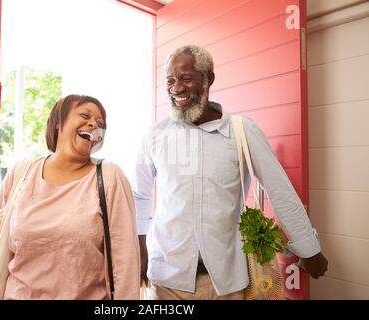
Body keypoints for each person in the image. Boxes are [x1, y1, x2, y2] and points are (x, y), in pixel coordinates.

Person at [133, 45, 328, 300]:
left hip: (226, 283)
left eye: (186, 79)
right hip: (167, 282)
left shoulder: (242, 130)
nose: (176, 88)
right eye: (170, 81)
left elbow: (280, 191)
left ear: (208, 79)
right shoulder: (154, 136)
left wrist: (309, 249)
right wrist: (139, 252)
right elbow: (140, 196)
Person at [0, 94, 140, 299]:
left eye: (100, 123)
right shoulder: (21, 173)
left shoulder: (110, 176)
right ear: (58, 123)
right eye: (85, 115)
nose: (94, 124)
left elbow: (125, 261)